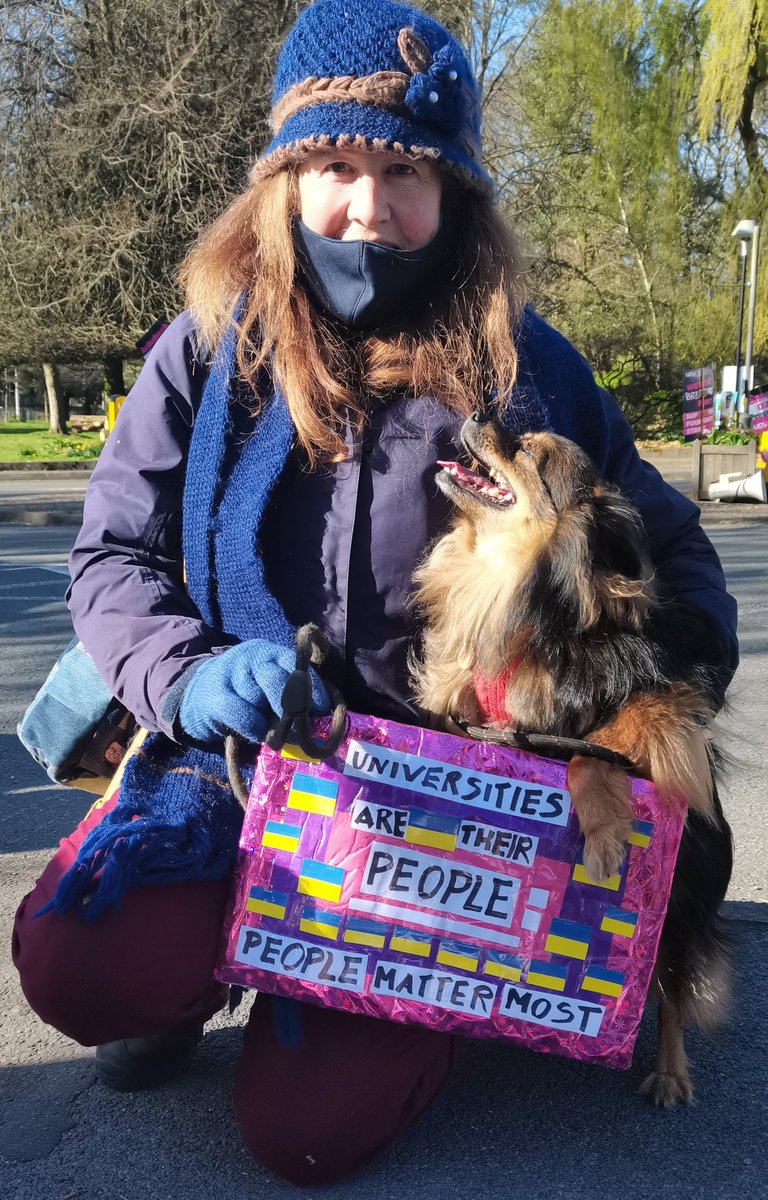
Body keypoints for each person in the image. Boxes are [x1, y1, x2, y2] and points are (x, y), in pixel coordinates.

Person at [12, 0, 738, 1186]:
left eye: (404, 170)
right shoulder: (204, 348)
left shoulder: (527, 367)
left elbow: (669, 546)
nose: (367, 204)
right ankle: (192, 967)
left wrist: (664, 688)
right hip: (232, 761)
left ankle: (410, 994)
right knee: (85, 962)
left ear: (454, 194)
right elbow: (110, 559)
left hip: (425, 800)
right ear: (284, 180)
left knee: (309, 1133)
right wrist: (190, 677)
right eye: (336, 164)